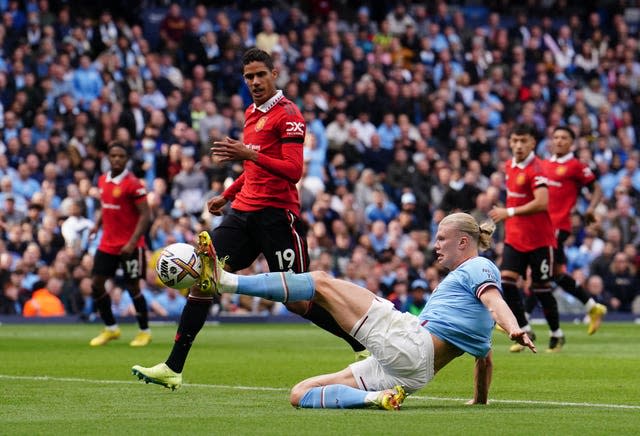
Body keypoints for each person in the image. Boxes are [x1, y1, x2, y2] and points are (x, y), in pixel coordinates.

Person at [132, 48, 366, 386]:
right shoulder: (251, 112)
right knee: (204, 276)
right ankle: (173, 368)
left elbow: (293, 170)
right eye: (249, 77)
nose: (255, 82)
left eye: (260, 74)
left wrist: (245, 153)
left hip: (276, 217)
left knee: (299, 301)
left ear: (274, 74)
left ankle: (361, 345)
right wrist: (226, 196)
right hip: (241, 214)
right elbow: (253, 165)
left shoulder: (289, 115)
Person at [133, 213, 536, 409]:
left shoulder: (479, 267)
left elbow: (495, 301)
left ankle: (223, 281)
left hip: (411, 343)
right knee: (299, 395)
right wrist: (479, 401)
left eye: (443, 239)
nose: (436, 246)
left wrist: (515, 327)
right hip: (412, 375)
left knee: (321, 280)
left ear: (465, 242)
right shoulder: (470, 294)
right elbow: (484, 357)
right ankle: (377, 399)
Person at [488, 124, 563, 353]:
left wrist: (508, 213)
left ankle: (556, 333)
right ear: (509, 142)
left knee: (541, 288)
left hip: (540, 239)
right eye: (514, 140)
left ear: (532, 143)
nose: (518, 145)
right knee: (507, 282)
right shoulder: (509, 166)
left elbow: (542, 202)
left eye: (523, 141)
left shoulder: (537, 168)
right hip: (515, 237)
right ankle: (524, 328)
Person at [534, 126, 607, 334]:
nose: (559, 141)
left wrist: (591, 209)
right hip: (541, 225)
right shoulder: (544, 164)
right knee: (555, 274)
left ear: (571, 143)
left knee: (540, 272)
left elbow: (597, 189)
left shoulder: (576, 166)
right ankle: (593, 307)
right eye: (555, 137)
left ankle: (523, 321)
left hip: (559, 226)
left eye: (564, 138)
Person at [88, 142, 152, 347]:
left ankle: (144, 331)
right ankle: (111, 328)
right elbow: (104, 206)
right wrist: (96, 225)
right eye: (113, 155)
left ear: (127, 159)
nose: (116, 159)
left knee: (133, 287)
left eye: (121, 156)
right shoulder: (101, 180)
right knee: (96, 284)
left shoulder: (133, 184)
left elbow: (145, 215)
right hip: (107, 243)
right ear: (108, 157)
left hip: (130, 245)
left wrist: (133, 242)